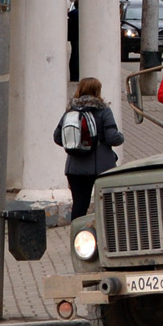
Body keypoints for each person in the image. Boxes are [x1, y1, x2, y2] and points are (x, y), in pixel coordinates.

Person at [53, 77, 124, 219]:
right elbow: (113, 138)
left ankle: (77, 236)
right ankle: (105, 236)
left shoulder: (70, 111)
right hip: (101, 168)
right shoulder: (104, 111)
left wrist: (76, 146)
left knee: (79, 205)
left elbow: (57, 137)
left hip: (75, 168)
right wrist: (120, 136)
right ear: (97, 91)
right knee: (107, 205)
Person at [67, 0, 80, 82]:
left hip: (73, 37)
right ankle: (76, 76)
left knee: (74, 55)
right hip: (78, 37)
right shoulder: (80, 14)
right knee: (77, 56)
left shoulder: (72, 13)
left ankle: (73, 76)